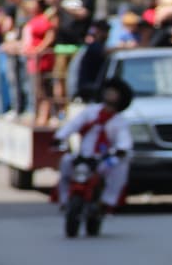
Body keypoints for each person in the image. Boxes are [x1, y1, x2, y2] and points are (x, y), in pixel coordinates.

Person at [53, 77, 133, 210]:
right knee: (66, 162)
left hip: (103, 158)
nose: (110, 95)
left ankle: (107, 200)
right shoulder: (90, 112)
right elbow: (73, 125)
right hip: (84, 156)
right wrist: (60, 137)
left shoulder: (119, 120)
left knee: (119, 166)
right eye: (108, 91)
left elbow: (124, 139)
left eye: (114, 93)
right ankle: (64, 198)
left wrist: (122, 149)